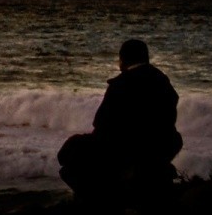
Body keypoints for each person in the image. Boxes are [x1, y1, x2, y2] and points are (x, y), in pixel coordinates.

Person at [57, 39, 183, 202]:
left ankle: (101, 198)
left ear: (123, 59)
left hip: (127, 148)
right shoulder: (163, 81)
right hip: (161, 145)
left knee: (70, 151)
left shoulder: (121, 84)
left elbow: (101, 124)